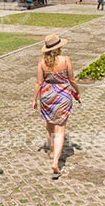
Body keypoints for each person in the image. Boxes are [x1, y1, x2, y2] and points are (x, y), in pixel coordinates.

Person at [32, 34, 79, 179]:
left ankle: (52, 151)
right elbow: (72, 79)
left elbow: (39, 83)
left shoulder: (41, 62)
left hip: (47, 96)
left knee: (49, 125)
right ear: (59, 47)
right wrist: (77, 91)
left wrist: (34, 99)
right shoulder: (65, 60)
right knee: (60, 129)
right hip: (63, 95)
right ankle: (55, 161)